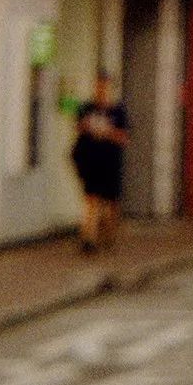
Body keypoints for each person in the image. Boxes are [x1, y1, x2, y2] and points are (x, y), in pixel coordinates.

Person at [72, 70, 128, 253]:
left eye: (105, 87)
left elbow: (125, 138)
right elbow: (78, 128)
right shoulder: (86, 108)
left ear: (110, 89)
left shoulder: (118, 112)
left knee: (111, 203)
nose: (101, 90)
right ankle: (88, 238)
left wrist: (108, 132)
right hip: (91, 160)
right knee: (92, 199)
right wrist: (86, 127)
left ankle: (109, 233)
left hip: (110, 161)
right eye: (98, 86)